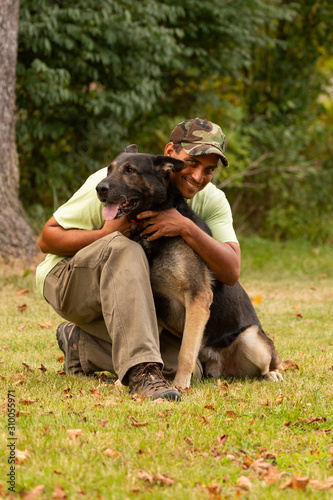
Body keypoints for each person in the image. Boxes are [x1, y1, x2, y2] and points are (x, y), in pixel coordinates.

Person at [36, 118, 240, 402]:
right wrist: (104, 234)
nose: (197, 176)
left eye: (208, 170)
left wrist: (186, 226)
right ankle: (142, 373)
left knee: (188, 367)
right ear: (170, 155)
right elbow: (47, 239)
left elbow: (231, 272)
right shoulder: (108, 184)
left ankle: (81, 346)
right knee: (126, 248)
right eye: (191, 163)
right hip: (68, 280)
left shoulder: (210, 199)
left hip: (122, 294)